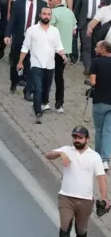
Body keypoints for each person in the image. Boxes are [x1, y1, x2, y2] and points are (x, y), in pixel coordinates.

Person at [45, 126, 108, 237]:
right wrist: (60, 154)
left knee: (81, 231)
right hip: (66, 197)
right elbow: (48, 155)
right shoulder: (67, 150)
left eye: (80, 137)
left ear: (87, 139)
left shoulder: (95, 156)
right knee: (64, 227)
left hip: (85, 200)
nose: (77, 140)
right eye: (75, 137)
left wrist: (104, 197)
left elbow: (101, 177)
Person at [17, 6, 68, 123]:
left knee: (47, 87)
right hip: (36, 63)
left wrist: (64, 55)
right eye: (44, 14)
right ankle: (37, 110)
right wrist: (20, 62)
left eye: (48, 14)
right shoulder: (32, 30)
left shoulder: (55, 31)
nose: (46, 16)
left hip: (50, 64)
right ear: (40, 15)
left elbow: (58, 46)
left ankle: (43, 103)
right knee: (38, 88)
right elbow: (25, 47)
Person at [90, 40, 111, 171]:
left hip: (100, 100)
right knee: (108, 131)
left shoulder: (96, 62)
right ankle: (105, 160)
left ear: (103, 49)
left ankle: (97, 157)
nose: (95, 49)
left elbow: (93, 82)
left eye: (97, 47)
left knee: (98, 130)